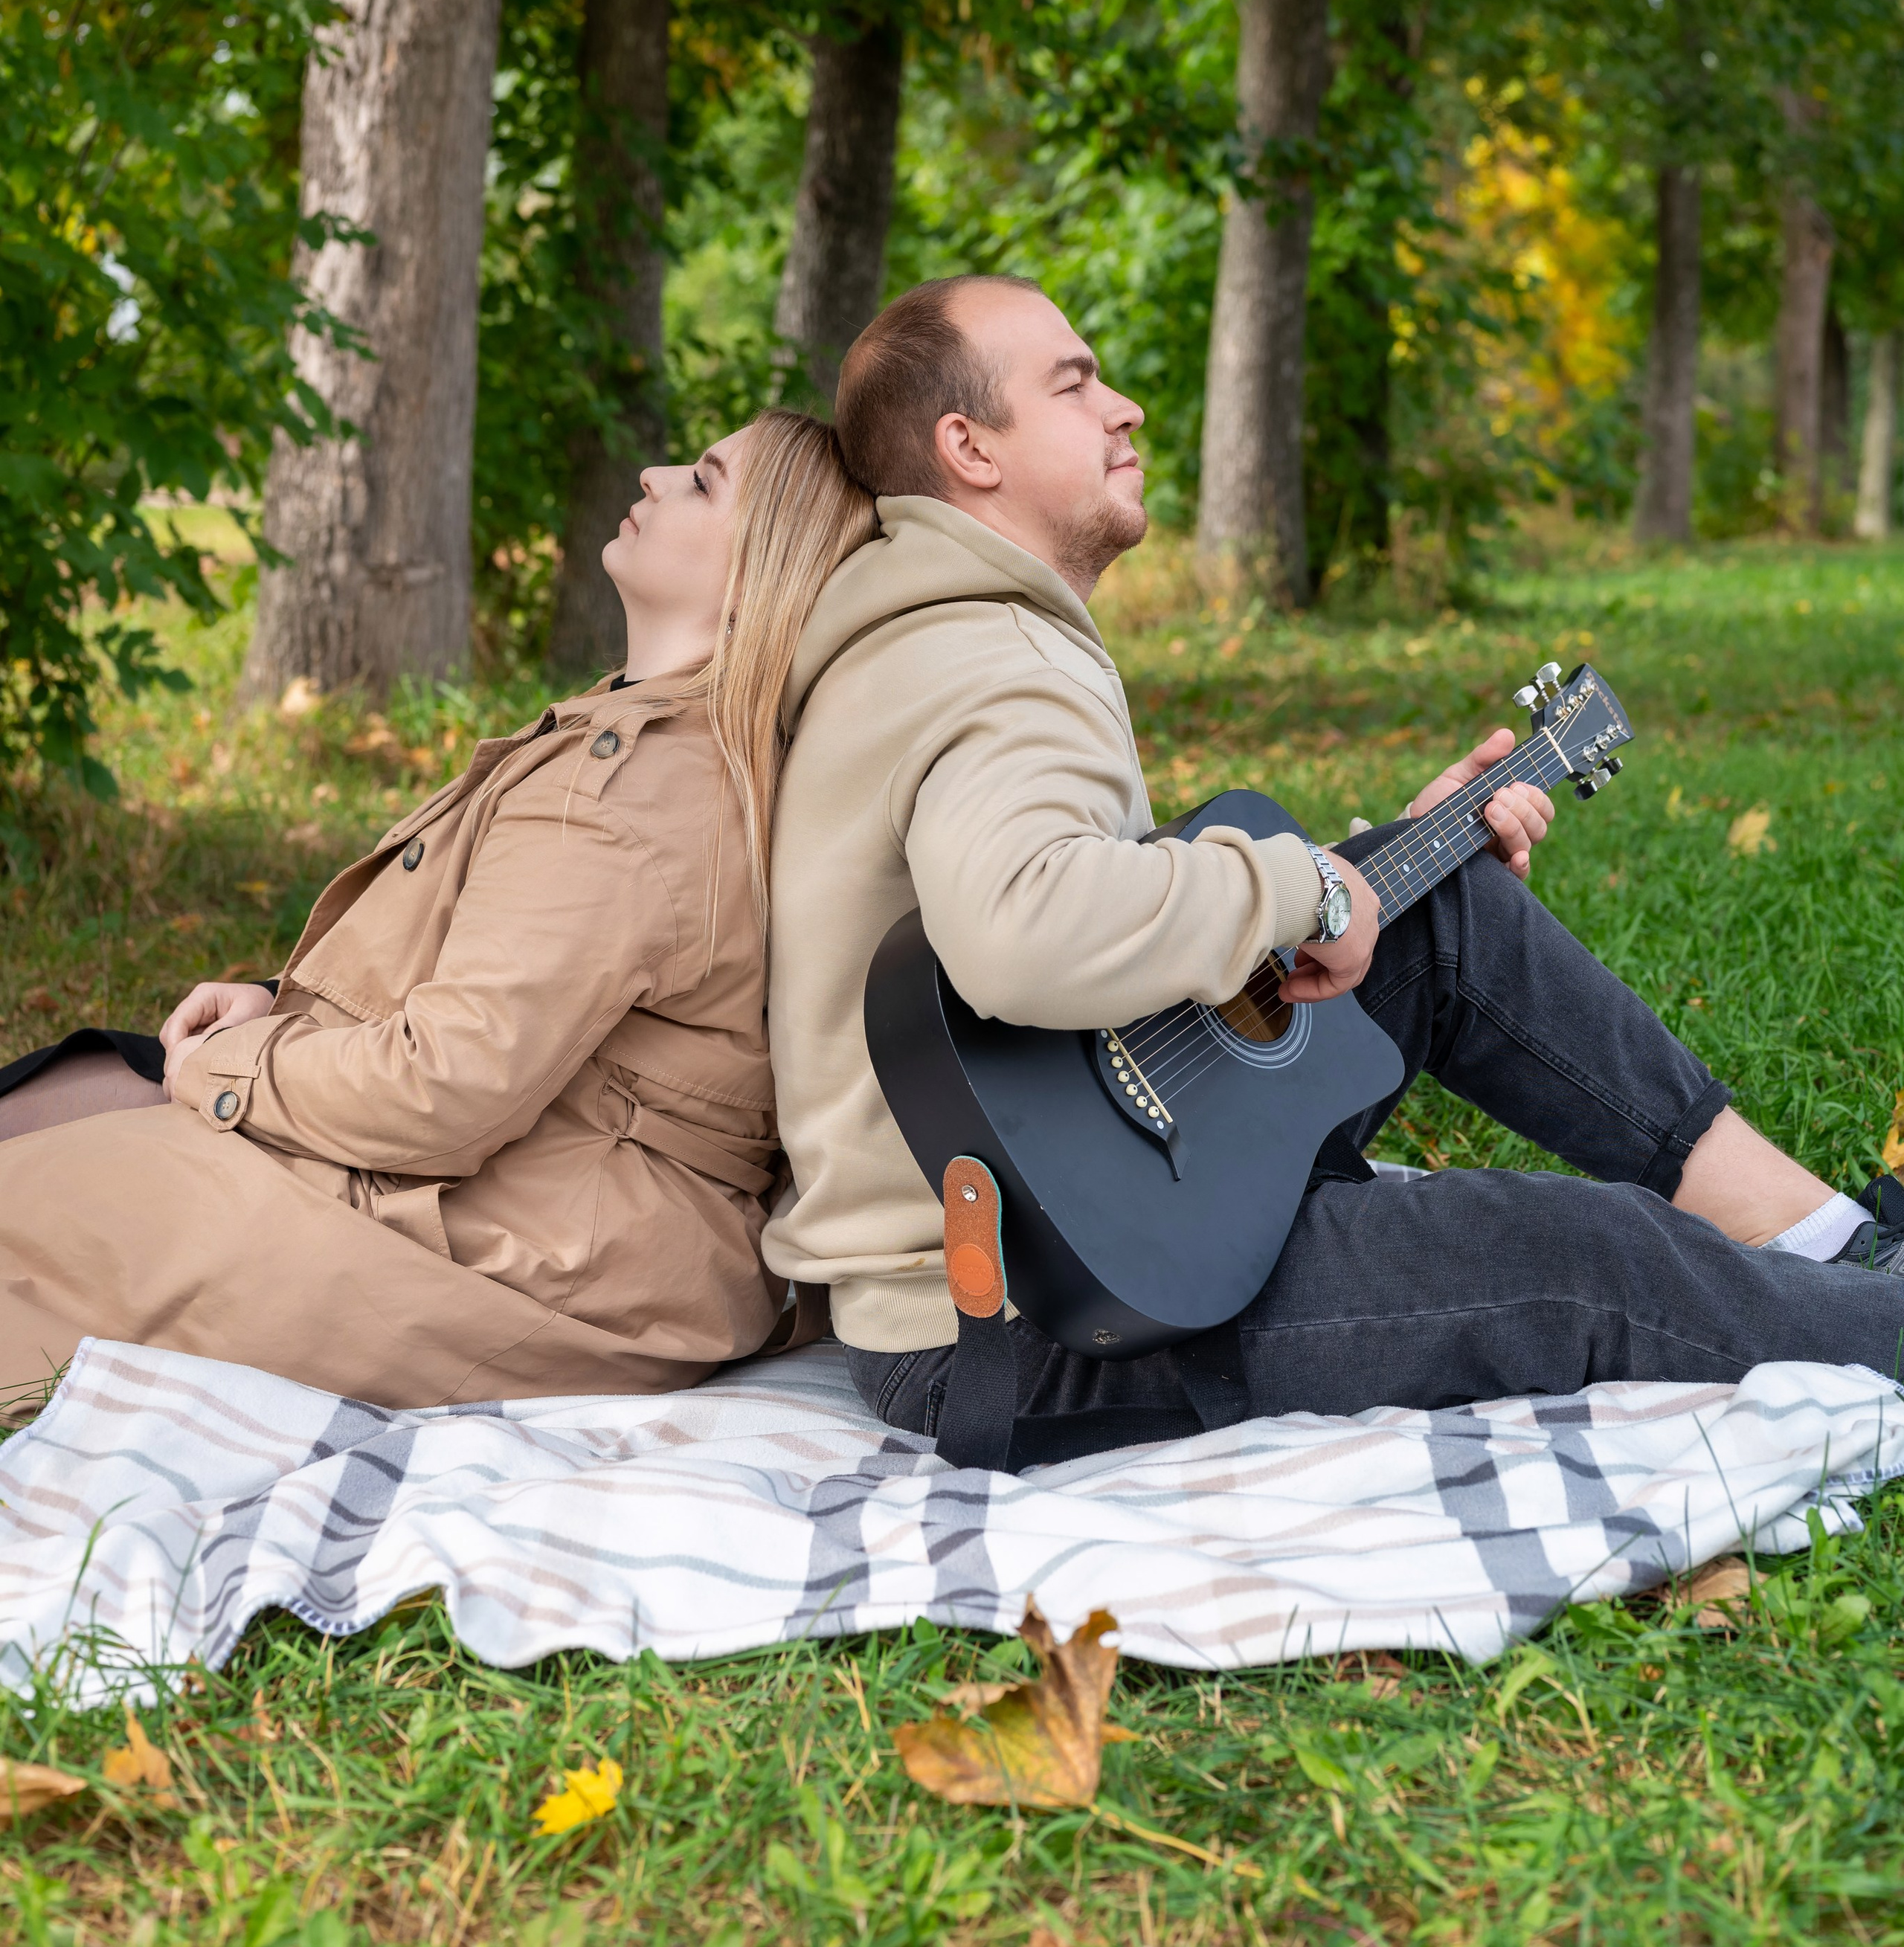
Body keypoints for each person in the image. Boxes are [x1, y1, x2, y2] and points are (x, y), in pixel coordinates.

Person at [764, 275, 1904, 1466]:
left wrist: (1368, 872)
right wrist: (1304, 885)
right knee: (1584, 1257)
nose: (1128, 407)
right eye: (1075, 383)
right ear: (969, 447)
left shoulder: (945, 624)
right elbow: (1019, 929)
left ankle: (1827, 1237)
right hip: (1025, 1319)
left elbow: (1058, 914)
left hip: (1074, 1196)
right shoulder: (983, 652)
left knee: (1440, 911)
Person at [0, 410, 873, 1414]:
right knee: (74, 1089)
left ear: (764, 570)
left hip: (523, 1255)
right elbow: (497, 985)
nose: (654, 473)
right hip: (569, 1220)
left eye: (706, 482)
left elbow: (445, 1089)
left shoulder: (629, 791)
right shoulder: (644, 738)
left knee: (35, 1209)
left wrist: (225, 1073)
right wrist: (273, 1002)